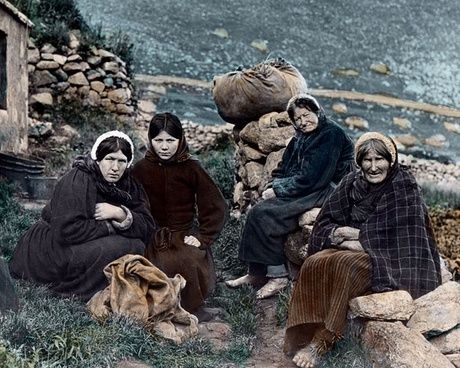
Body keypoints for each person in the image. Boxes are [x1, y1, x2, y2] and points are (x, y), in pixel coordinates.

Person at [284, 132, 442, 368]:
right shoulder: (352, 182)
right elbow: (326, 221)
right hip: (355, 248)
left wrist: (357, 235)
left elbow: (397, 235)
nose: (374, 167)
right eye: (367, 160)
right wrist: (346, 236)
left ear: (391, 160)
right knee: (314, 261)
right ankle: (304, 331)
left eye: (380, 159)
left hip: (390, 257)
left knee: (345, 266)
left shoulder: (403, 185)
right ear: (359, 162)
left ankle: (323, 341)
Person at [226, 94, 355, 299]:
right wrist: (273, 184)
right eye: (298, 119)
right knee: (256, 211)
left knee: (266, 215)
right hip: (307, 187)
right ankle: (256, 273)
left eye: (307, 115)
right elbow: (283, 168)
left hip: (327, 189)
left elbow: (313, 178)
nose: (303, 122)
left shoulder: (331, 135)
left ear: (317, 112)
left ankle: (278, 276)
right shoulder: (299, 138)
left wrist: (279, 190)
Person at [10, 131, 156, 301]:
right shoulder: (79, 179)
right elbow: (67, 231)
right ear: (98, 159)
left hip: (85, 238)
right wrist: (109, 226)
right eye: (109, 159)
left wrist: (120, 213)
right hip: (50, 249)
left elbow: (147, 226)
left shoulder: (128, 184)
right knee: (121, 246)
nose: (115, 167)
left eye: (121, 161)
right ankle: (78, 291)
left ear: (128, 163)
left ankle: (109, 286)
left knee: (136, 245)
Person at [132, 112, 227, 322]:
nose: (164, 147)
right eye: (158, 141)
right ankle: (162, 306)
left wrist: (203, 236)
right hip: (153, 234)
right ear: (150, 140)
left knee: (188, 259)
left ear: (180, 139)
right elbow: (129, 200)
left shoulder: (191, 167)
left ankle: (193, 306)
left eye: (170, 140)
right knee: (158, 264)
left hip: (183, 232)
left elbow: (215, 204)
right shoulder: (140, 169)